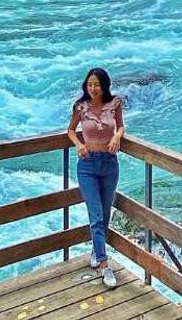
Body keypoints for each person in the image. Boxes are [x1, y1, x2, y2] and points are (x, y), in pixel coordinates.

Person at [65, 67, 125, 288]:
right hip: (87, 165)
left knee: (106, 211)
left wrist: (117, 136)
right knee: (96, 213)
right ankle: (103, 264)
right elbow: (70, 130)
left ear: (104, 85)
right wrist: (79, 145)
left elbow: (120, 126)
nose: (93, 88)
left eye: (97, 84)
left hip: (109, 163)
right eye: (90, 84)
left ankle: (95, 249)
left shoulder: (115, 104)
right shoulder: (80, 107)